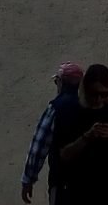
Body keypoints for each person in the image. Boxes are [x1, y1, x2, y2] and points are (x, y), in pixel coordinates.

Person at [50, 64, 108, 205]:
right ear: (85, 89)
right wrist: (87, 137)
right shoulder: (72, 113)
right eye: (94, 93)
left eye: (103, 94)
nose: (98, 99)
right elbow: (64, 154)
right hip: (77, 192)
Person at [21, 62, 85, 203]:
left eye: (57, 81)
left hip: (63, 183)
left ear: (60, 82)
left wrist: (28, 179)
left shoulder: (56, 108)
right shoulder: (92, 108)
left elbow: (39, 146)